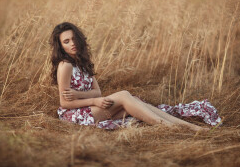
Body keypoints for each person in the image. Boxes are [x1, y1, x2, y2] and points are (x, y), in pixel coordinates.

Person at [50, 22, 211, 132]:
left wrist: (79, 94)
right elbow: (65, 102)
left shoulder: (82, 61)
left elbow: (97, 92)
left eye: (73, 39)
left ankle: (191, 128)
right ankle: (172, 128)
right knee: (125, 95)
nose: (72, 43)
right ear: (61, 46)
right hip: (75, 115)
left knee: (137, 104)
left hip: (90, 108)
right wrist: (92, 101)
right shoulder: (66, 66)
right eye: (66, 41)